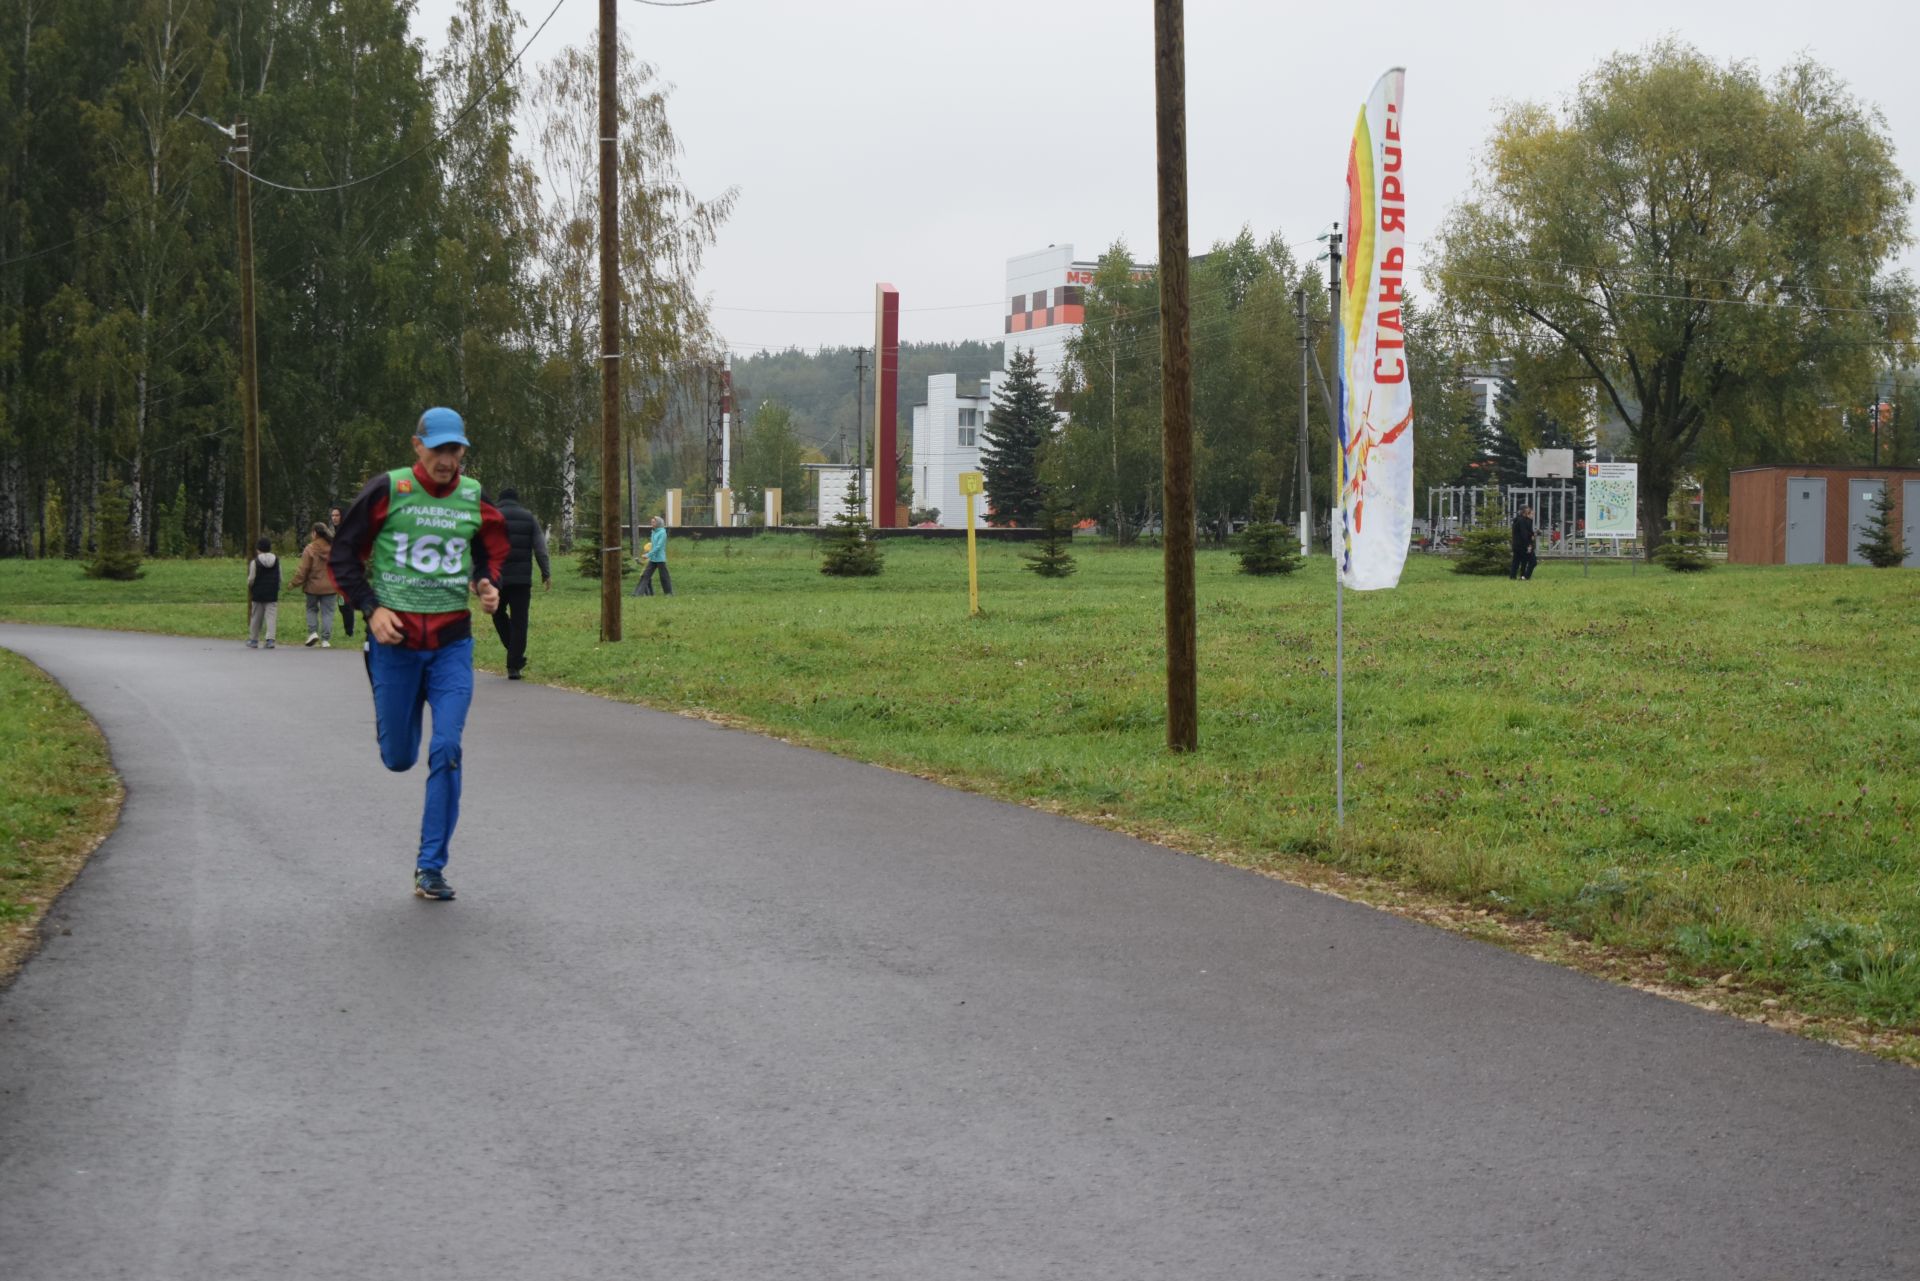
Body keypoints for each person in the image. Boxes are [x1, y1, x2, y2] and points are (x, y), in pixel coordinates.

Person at [330, 407, 509, 902]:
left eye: (456, 451)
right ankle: (394, 716)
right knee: (399, 758)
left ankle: (430, 867)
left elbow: (491, 544)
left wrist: (486, 582)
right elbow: (343, 553)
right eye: (439, 449)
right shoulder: (388, 490)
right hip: (396, 648)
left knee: (447, 748)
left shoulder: (474, 497)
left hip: (452, 645)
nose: (448, 460)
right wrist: (370, 608)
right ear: (417, 447)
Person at [487, 487, 551, 680]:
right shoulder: (528, 517)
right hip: (522, 580)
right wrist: (546, 572)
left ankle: (513, 651)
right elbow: (541, 548)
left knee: (497, 614)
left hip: (497, 578)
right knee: (520, 621)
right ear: (517, 500)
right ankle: (514, 664)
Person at [290, 521, 338, 647]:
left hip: (312, 586)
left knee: (311, 609)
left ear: (315, 533)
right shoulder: (334, 548)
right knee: (328, 613)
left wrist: (294, 583)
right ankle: (326, 640)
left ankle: (312, 632)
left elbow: (303, 569)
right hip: (330, 587)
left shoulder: (310, 549)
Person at [245, 536, 281, 649]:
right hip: (272, 592)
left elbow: (251, 578)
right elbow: (280, 577)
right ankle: (270, 640)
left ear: (258, 549)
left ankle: (254, 640)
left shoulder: (255, 562)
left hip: (258, 592)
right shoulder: (276, 560)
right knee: (271, 617)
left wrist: (249, 585)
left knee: (256, 617)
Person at [330, 506, 356, 638]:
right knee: (342, 603)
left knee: (345, 602)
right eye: (333, 515)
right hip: (338, 572)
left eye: (337, 515)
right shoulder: (334, 532)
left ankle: (349, 631)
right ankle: (348, 629)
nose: (334, 518)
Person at [635, 515, 672, 597]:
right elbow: (653, 546)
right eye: (651, 522)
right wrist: (650, 555)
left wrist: (648, 554)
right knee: (645, 575)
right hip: (653, 559)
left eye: (653, 522)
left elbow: (658, 547)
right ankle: (637, 593)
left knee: (664, 577)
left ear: (658, 523)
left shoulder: (662, 533)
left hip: (660, 559)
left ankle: (669, 593)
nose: (651, 523)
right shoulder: (653, 532)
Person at [1510, 505, 1538, 581]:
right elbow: (1524, 534)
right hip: (1523, 545)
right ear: (1525, 512)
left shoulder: (1517, 520)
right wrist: (1529, 544)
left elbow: (1522, 532)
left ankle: (1513, 577)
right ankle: (1524, 577)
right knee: (1532, 561)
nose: (1531, 514)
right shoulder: (1523, 521)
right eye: (1529, 512)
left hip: (1516, 545)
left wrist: (1532, 534)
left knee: (1516, 561)